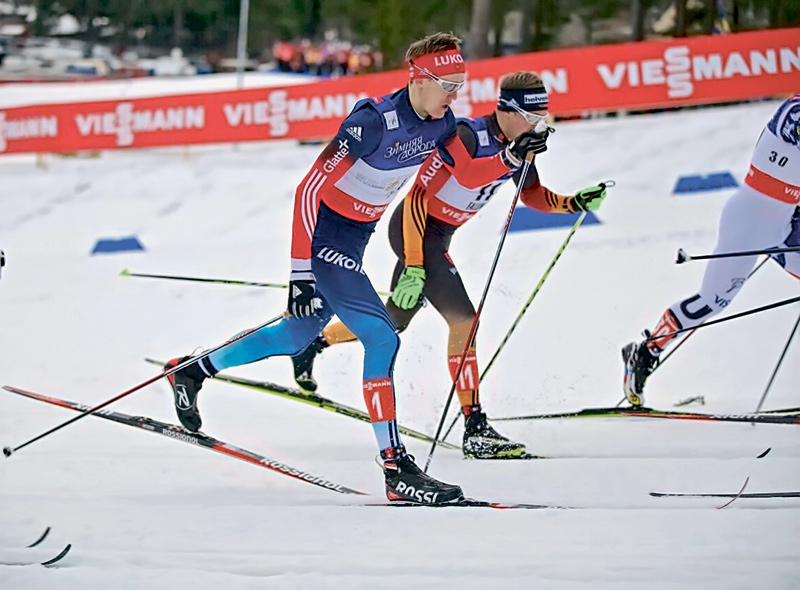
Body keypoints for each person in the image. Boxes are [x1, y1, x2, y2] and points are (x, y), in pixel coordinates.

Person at [164, 33, 547, 504]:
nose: (455, 93)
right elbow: (308, 191)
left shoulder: (443, 123)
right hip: (324, 240)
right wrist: (300, 274)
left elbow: (468, 174)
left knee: (294, 336)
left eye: (460, 83)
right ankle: (396, 469)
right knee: (383, 336)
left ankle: (192, 371)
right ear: (418, 78)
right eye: (447, 82)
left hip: (355, 240)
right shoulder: (372, 121)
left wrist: (511, 157)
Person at [290, 71, 609, 459]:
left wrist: (573, 203)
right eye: (533, 118)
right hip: (417, 230)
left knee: (394, 320)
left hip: (438, 237)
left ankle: (314, 344)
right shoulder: (468, 136)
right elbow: (418, 198)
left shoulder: (519, 146)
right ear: (507, 110)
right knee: (464, 320)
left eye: (544, 120)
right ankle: (474, 425)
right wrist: (413, 263)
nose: (538, 128)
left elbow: (532, 195)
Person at [622, 94, 800, 406]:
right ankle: (646, 350)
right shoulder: (794, 111)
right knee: (713, 301)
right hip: (750, 222)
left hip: (786, 222)